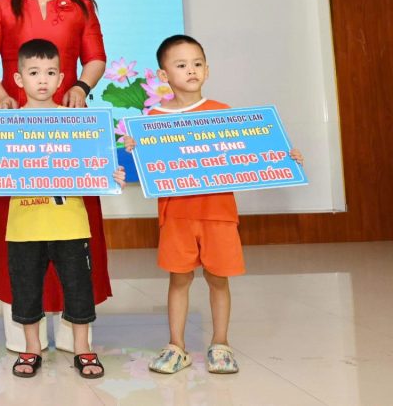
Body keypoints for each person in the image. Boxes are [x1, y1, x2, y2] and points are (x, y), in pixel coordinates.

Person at [124, 35, 304, 375]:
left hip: (218, 215)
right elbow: (148, 168)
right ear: (163, 75)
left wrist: (286, 157)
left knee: (219, 280)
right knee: (179, 280)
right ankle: (176, 346)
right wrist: (136, 148)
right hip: (176, 217)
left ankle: (220, 343)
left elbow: (252, 152)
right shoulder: (152, 120)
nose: (191, 70)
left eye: (197, 64)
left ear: (207, 70)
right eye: (181, 65)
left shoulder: (223, 114)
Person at [0, 0, 111, 352]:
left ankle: (75, 331)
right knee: (17, 227)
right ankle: (22, 333)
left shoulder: (82, 6)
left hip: (68, 128)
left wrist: (81, 87)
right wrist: (1, 97)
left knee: (75, 225)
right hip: (16, 129)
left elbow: (96, 58)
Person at [0, 39, 124, 379]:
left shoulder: (77, 121)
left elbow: (98, 163)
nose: (43, 80)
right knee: (26, 291)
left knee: (78, 289)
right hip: (24, 227)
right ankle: (31, 348)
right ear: (18, 79)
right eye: (34, 73)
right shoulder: (6, 125)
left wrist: (112, 173)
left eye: (50, 73)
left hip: (71, 225)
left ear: (62, 78)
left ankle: (83, 349)